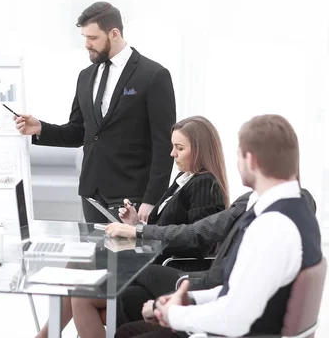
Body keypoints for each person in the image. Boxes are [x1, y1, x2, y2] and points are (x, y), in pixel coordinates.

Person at [116, 114, 322, 337]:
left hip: (236, 331)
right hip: (246, 322)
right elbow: (238, 291)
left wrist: (173, 314)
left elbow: (234, 319)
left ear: (250, 160)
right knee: (129, 330)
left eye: (238, 155)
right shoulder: (298, 210)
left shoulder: (270, 228)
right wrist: (190, 298)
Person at [15, 1, 176, 224]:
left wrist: (153, 198)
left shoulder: (153, 75)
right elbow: (79, 132)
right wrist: (41, 128)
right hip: (92, 195)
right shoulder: (85, 76)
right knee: (95, 259)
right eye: (84, 37)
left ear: (114, 33)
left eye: (92, 38)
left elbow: (163, 143)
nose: (86, 44)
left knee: (128, 259)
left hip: (133, 197)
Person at [69, 116, 229, 338]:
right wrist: (136, 223)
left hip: (173, 277)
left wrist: (141, 234)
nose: (172, 154)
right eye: (173, 147)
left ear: (200, 150)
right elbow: (168, 227)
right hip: (154, 268)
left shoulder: (204, 184)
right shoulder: (184, 178)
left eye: (179, 148)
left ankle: (45, 334)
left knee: (81, 292)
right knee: (81, 288)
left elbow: (197, 242)